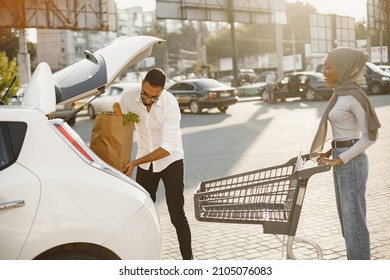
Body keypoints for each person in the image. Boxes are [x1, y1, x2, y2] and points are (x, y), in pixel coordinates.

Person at [309, 47, 381, 260]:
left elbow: (370, 137)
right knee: (346, 223)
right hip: (342, 158)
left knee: (354, 224)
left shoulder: (354, 96)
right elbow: (344, 133)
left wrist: (340, 158)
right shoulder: (340, 93)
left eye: (328, 66)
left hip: (352, 163)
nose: (323, 71)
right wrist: (331, 151)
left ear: (343, 68)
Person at [119, 68, 193, 260]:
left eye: (154, 97)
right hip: (145, 161)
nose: (147, 100)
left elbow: (166, 147)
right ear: (142, 82)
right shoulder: (128, 96)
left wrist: (135, 162)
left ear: (162, 90)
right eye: (145, 94)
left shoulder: (170, 104)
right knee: (142, 212)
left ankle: (189, 261)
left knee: (176, 214)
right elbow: (117, 118)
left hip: (171, 160)